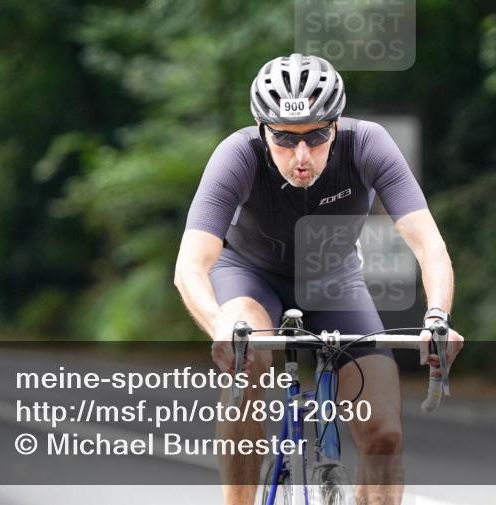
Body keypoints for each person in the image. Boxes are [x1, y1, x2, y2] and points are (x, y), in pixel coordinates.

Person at [174, 53, 463, 505]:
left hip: (334, 281)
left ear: (338, 126)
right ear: (261, 127)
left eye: (317, 136)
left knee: (385, 435)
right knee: (248, 361)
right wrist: (219, 326)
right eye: (285, 138)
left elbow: (428, 243)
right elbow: (191, 264)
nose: (302, 155)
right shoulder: (237, 155)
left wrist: (437, 316)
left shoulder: (370, 145)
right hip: (249, 276)